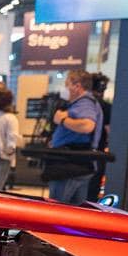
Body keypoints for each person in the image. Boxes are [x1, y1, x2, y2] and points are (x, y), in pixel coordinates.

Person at [45, 68, 104, 205]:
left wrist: (62, 120)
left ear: (77, 86)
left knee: (57, 208)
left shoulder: (84, 103)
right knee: (74, 209)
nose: (65, 88)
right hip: (77, 164)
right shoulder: (84, 103)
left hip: (70, 165)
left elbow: (87, 126)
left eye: (67, 84)